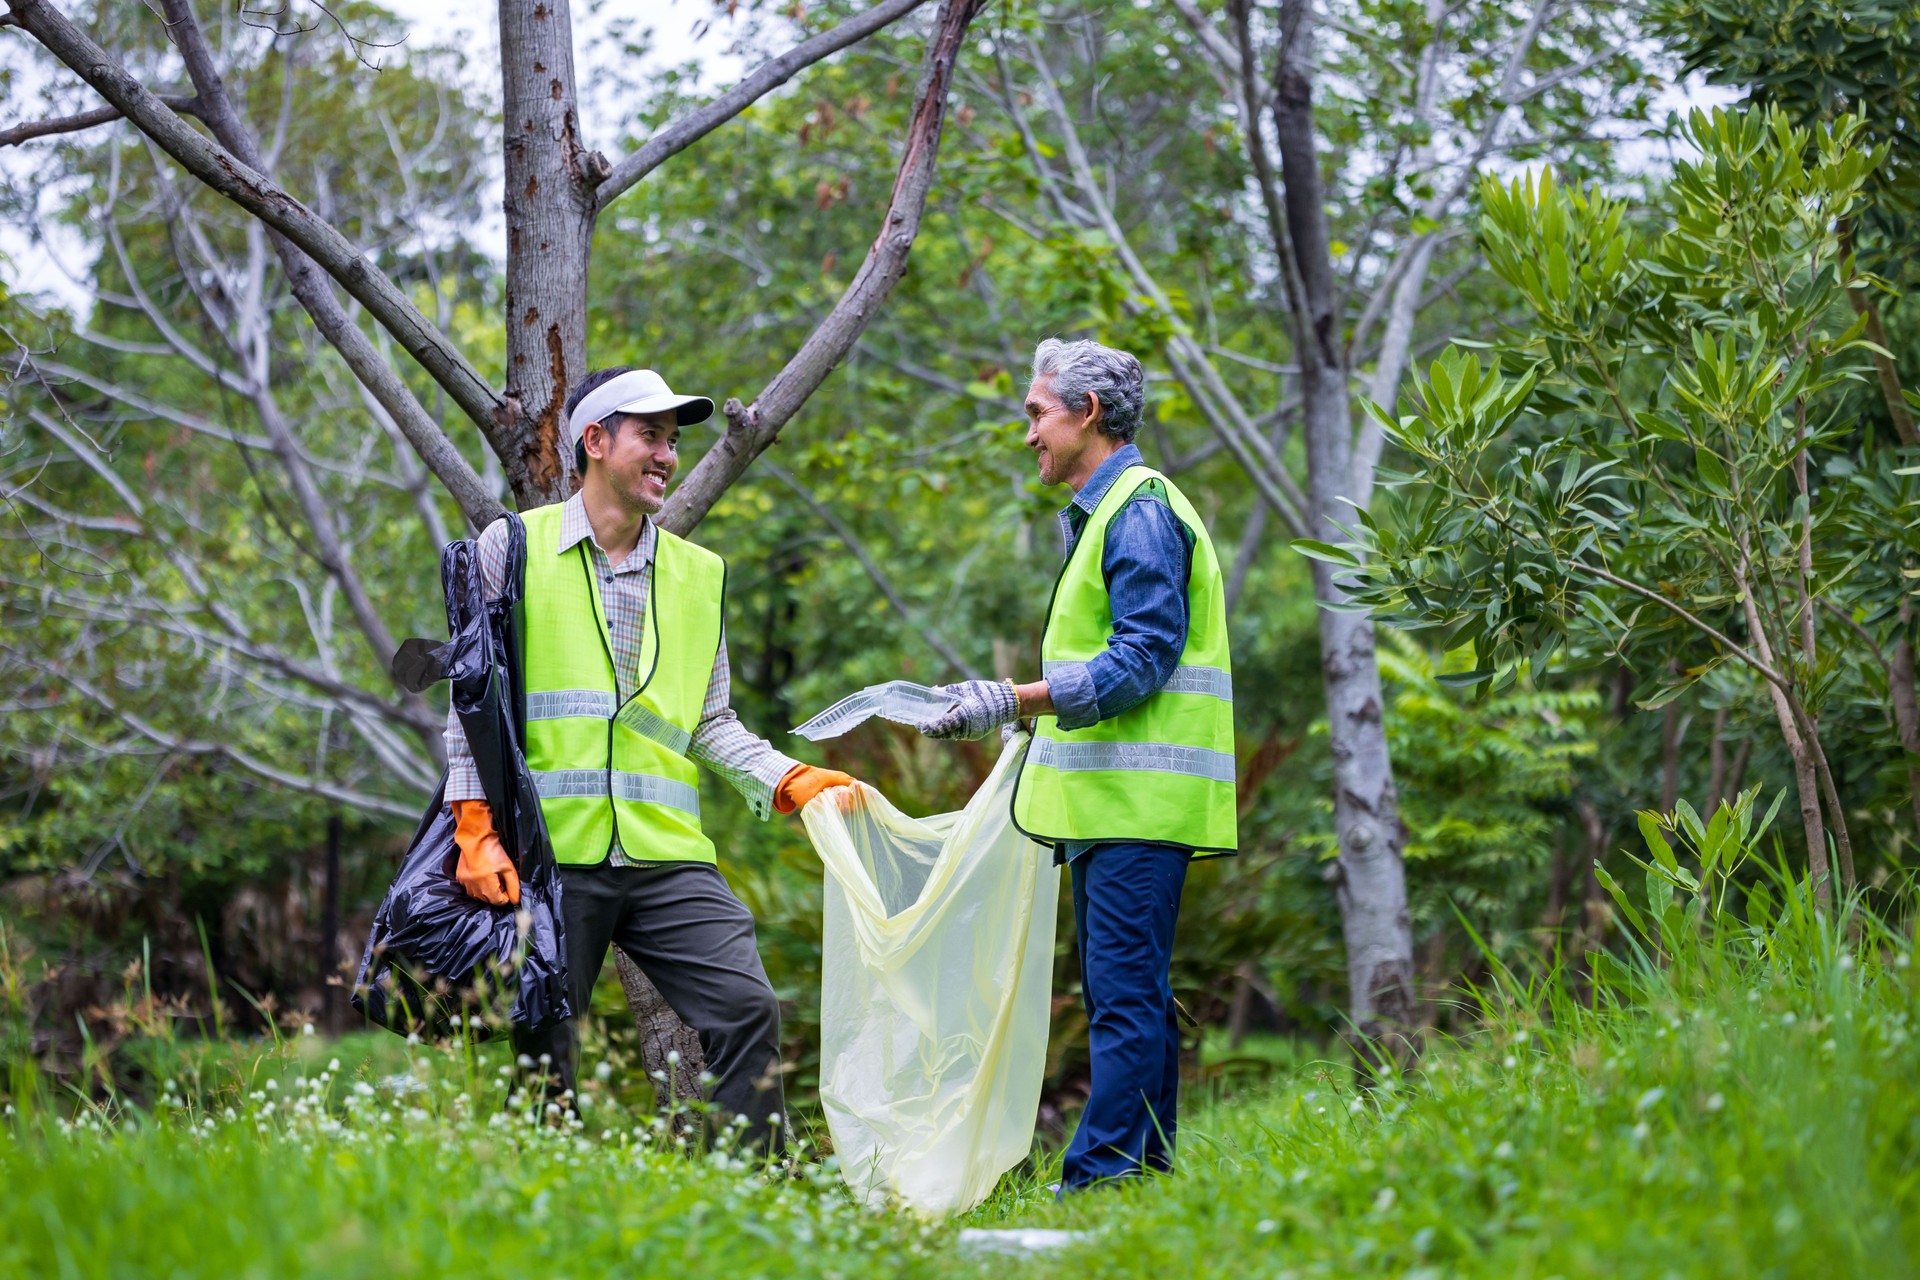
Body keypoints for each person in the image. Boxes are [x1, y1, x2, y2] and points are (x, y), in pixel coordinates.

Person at [445, 365, 853, 1142]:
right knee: (543, 1045)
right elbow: (473, 698)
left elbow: (711, 720)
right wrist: (473, 822)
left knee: (746, 1009)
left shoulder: (701, 576)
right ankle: (537, 1206)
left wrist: (787, 779)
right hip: (550, 854)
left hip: (666, 857)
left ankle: (749, 1193)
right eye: (649, 436)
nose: (668, 455)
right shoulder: (512, 548)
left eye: (673, 440)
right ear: (594, 441)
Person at [915, 338, 1236, 1192]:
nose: (1029, 434)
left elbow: (1142, 659)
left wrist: (1012, 700)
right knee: (1134, 998)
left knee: (1125, 1000)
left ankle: (1095, 1180)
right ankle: (1144, 1173)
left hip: (1138, 807)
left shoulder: (1136, 510)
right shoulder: (1113, 511)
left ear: (1085, 413)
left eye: (1037, 413)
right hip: (1116, 808)